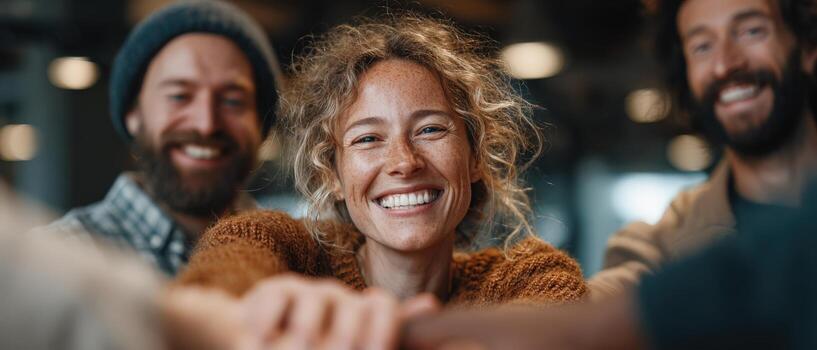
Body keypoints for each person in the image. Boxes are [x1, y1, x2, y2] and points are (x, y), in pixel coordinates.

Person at [176, 13, 587, 349]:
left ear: (476, 156)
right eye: (368, 139)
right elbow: (223, 277)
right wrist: (241, 310)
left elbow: (539, 328)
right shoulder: (291, 251)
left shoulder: (528, 276)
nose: (404, 163)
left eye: (430, 130)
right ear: (332, 174)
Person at [590, 0, 817, 298]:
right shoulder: (661, 247)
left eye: (751, 31)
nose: (725, 64)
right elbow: (601, 305)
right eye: (702, 47)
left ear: (807, 47)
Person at [43, 0, 281, 275]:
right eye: (179, 96)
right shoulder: (57, 261)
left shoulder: (299, 259)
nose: (206, 124)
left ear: (260, 122)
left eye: (232, 101)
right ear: (134, 114)